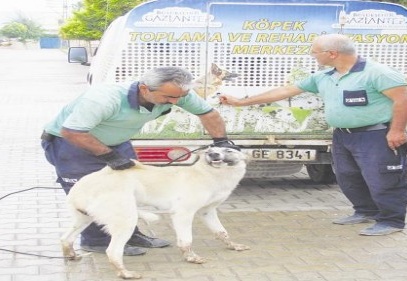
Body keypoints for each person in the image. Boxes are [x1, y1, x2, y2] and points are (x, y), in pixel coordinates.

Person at [219, 33, 407, 236]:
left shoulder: (377, 73)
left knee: (382, 178)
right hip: (343, 136)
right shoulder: (324, 76)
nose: (312, 55)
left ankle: (392, 220)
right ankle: (365, 211)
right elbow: (285, 91)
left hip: (375, 135)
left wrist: (396, 130)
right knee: (348, 177)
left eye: (315, 52)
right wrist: (241, 102)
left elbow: (403, 99)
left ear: (332, 53)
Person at [41, 66, 240, 255]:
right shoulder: (103, 99)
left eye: (180, 97)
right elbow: (71, 132)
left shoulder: (177, 94)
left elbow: (209, 114)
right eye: (168, 97)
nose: (175, 102)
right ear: (145, 89)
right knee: (98, 193)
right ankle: (97, 241)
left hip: (116, 142)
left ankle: (129, 234)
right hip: (72, 144)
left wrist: (222, 142)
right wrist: (108, 156)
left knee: (131, 188)